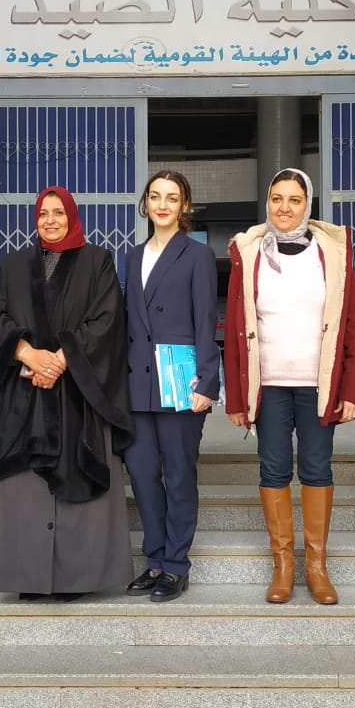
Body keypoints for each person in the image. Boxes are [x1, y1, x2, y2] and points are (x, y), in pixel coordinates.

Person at [0, 186, 134, 602]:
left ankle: (75, 579)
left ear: (72, 215)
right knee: (24, 487)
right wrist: (28, 354)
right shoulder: (14, 264)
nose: (51, 220)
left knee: (78, 481)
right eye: (44, 214)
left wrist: (60, 360)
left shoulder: (98, 261)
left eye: (59, 212)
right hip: (21, 394)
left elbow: (107, 320)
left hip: (78, 394)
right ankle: (29, 577)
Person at [224, 168, 355, 605]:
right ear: (267, 203)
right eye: (277, 199)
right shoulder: (247, 254)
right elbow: (233, 329)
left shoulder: (333, 252)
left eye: (295, 200)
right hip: (267, 385)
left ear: (308, 205)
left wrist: (352, 391)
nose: (284, 208)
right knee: (273, 470)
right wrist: (235, 396)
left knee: (316, 469)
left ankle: (317, 566)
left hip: (317, 385)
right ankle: (283, 564)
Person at [123, 171, 219, 603]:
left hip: (181, 378)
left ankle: (177, 565)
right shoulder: (132, 256)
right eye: (156, 196)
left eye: (172, 198)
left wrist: (207, 381)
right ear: (146, 202)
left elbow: (206, 322)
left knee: (179, 475)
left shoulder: (197, 255)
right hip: (137, 382)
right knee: (142, 474)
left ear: (184, 206)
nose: (163, 204)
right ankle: (155, 559)